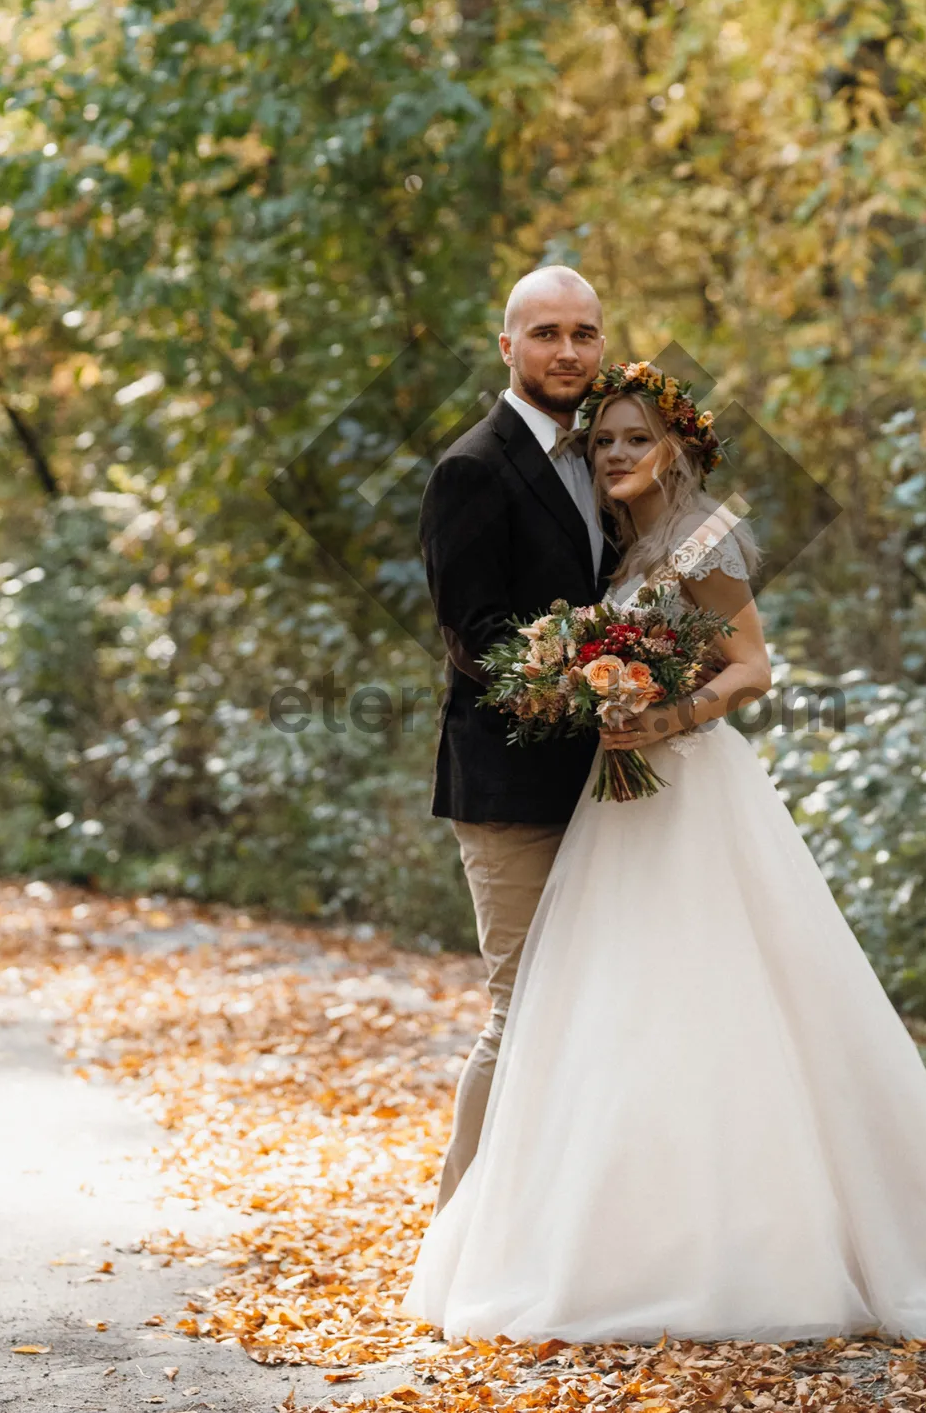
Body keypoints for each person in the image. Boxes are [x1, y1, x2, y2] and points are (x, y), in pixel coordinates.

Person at [403, 361, 926, 1343]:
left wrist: (668, 717)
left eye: (634, 438)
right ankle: (622, 1236)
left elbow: (752, 665)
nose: (615, 452)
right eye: (603, 439)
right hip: (621, 804)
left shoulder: (706, 536)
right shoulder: (623, 540)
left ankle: (750, 1244)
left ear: (677, 446)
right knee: (622, 1009)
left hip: (695, 785)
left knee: (719, 998)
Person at [417, 266, 619, 1212]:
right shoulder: (472, 469)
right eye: (547, 334)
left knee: (598, 1013)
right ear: (508, 347)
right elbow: (476, 639)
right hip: (511, 791)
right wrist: (597, 683)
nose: (567, 351)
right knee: (523, 1010)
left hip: (614, 784)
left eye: (584, 333)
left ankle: (569, 1228)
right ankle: (459, 1236)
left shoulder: (613, 459)